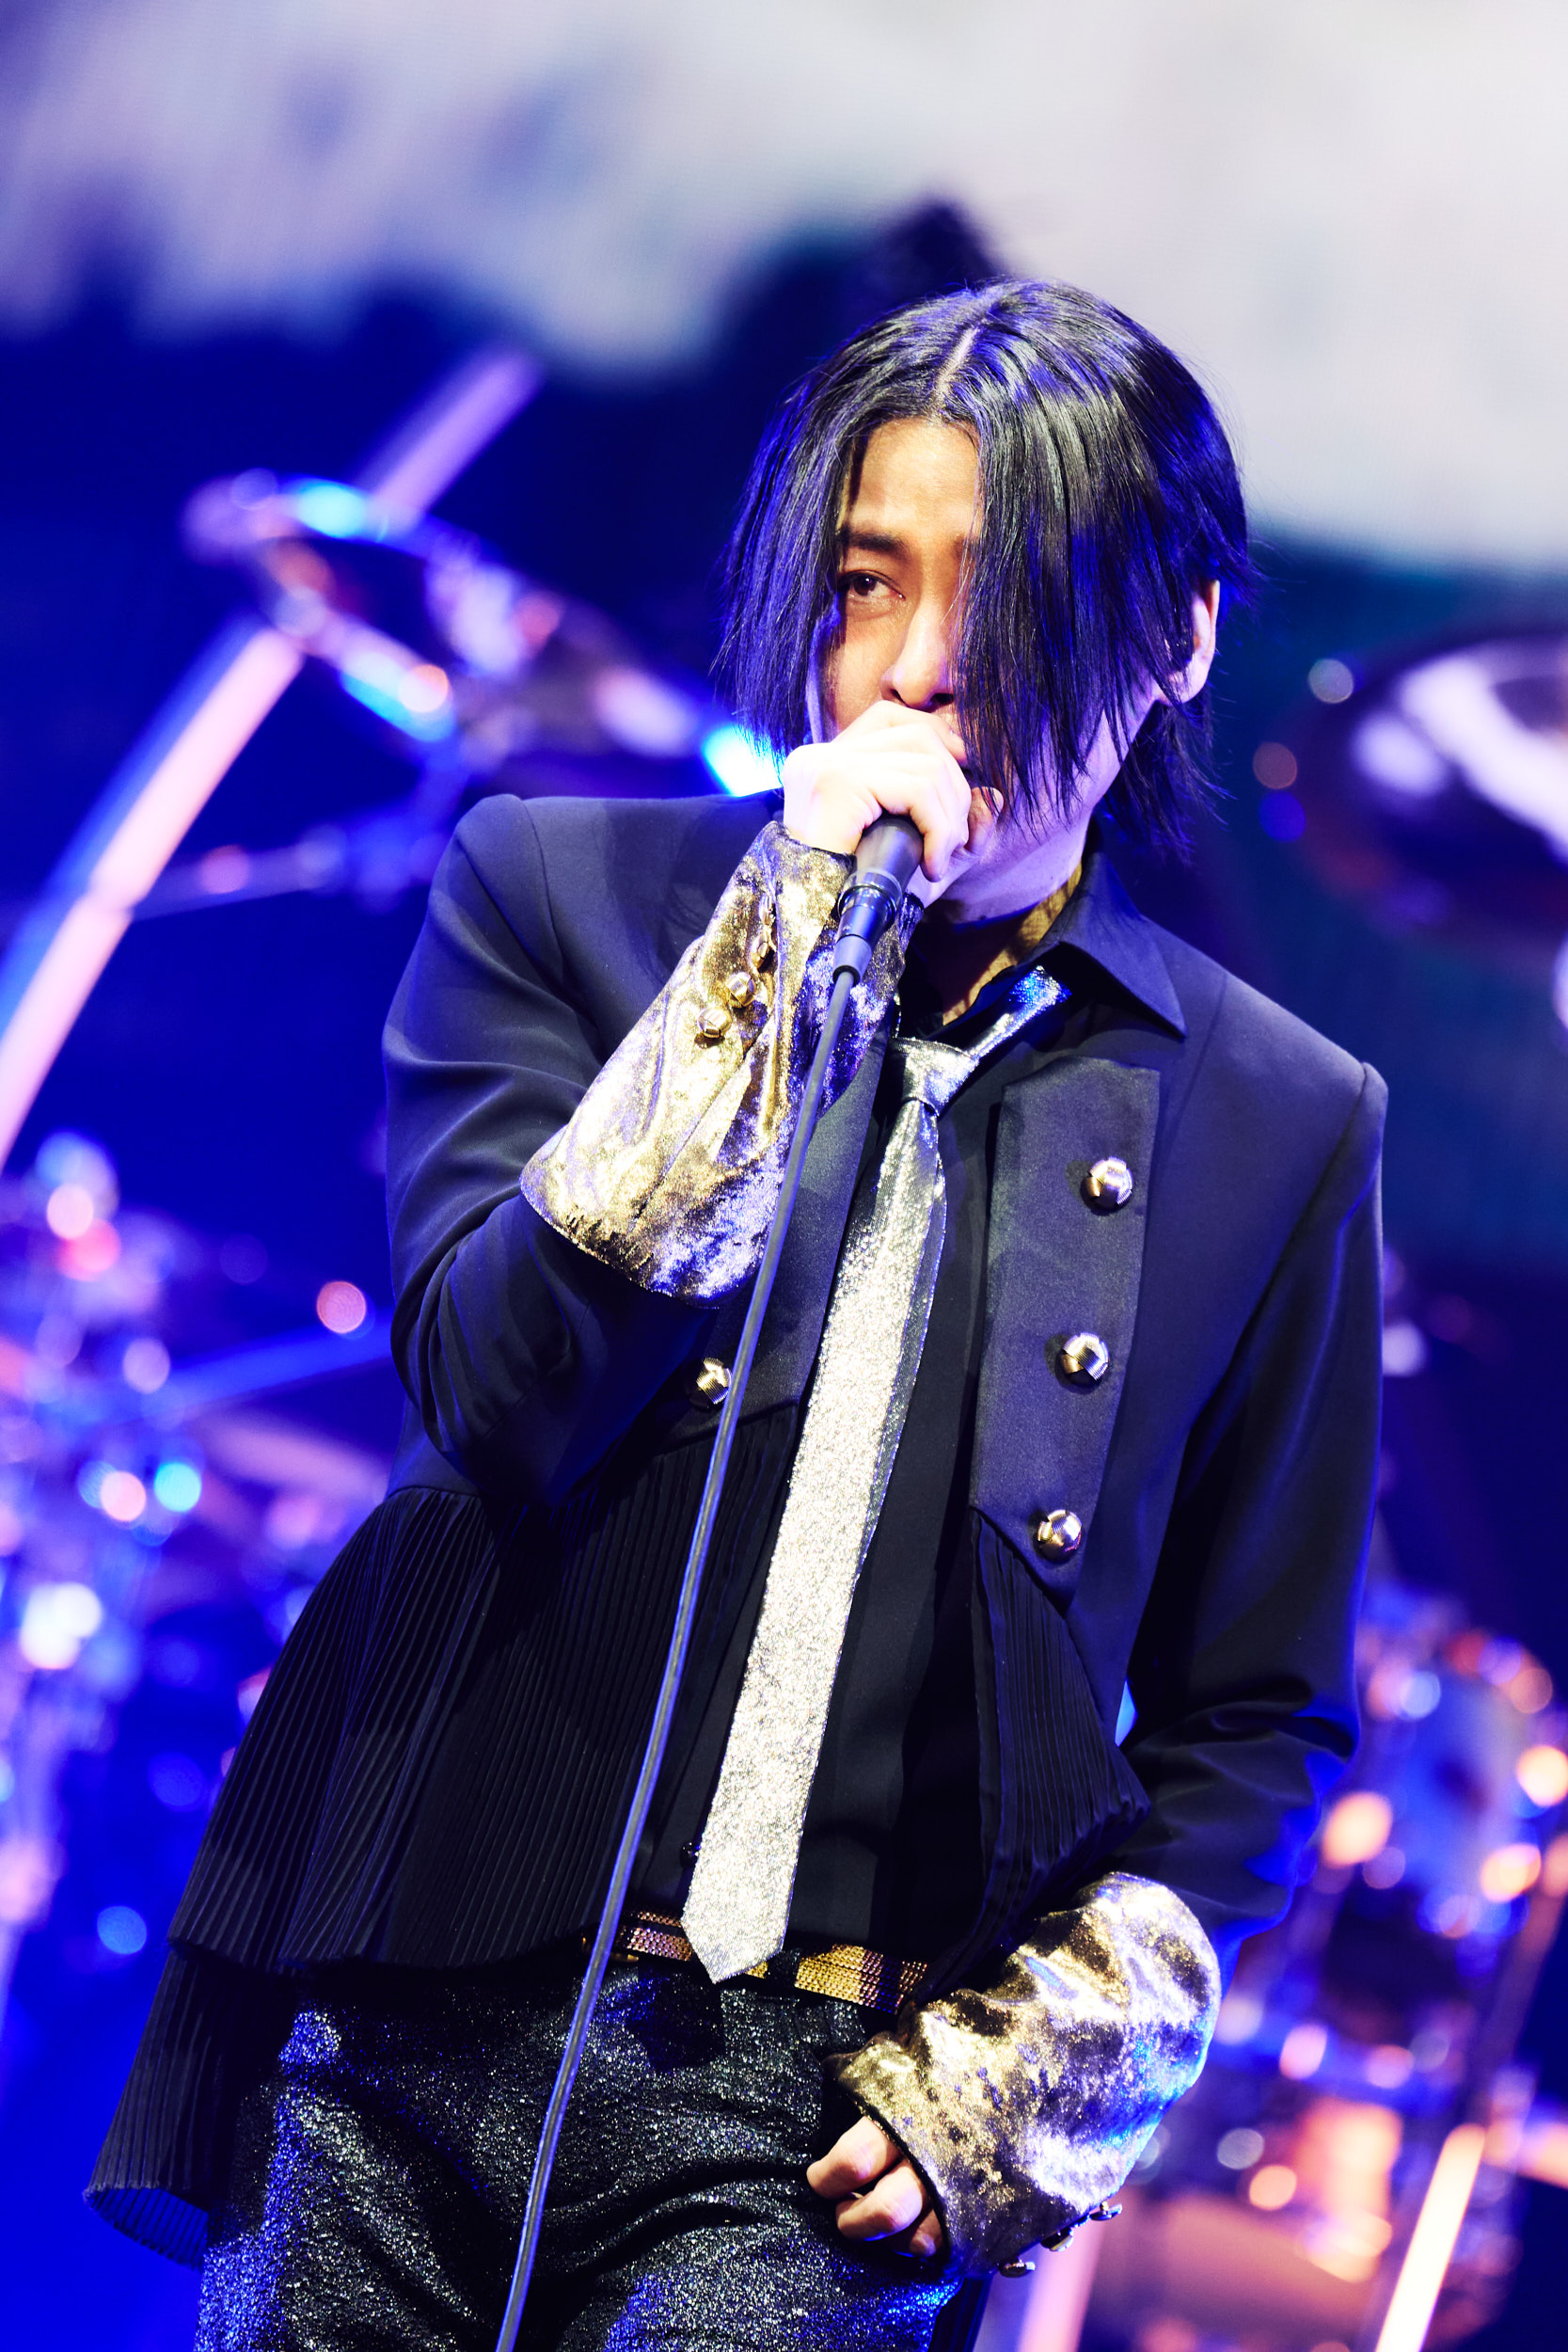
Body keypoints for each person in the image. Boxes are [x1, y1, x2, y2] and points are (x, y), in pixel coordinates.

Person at [90, 279, 1385, 2352]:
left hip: (819, 2120)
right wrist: (779, 946)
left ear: (1181, 637)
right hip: (404, 2013)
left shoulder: (1277, 1114)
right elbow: (495, 1387)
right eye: (867, 584)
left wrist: (1016, 2095)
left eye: (1010, 593)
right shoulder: (559, 894)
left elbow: (1258, 1714)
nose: (922, 665)